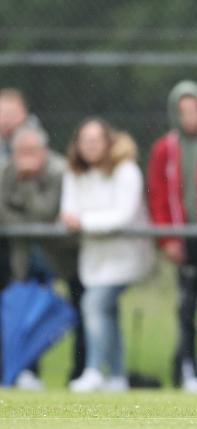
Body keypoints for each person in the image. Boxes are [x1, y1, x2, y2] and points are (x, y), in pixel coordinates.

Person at [62, 119, 154, 393]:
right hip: (93, 260)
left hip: (127, 258)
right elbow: (69, 213)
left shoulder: (126, 171)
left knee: (93, 304)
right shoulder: (74, 173)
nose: (90, 145)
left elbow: (121, 217)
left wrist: (85, 222)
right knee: (107, 312)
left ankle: (93, 371)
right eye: (84, 140)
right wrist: (83, 221)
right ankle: (117, 376)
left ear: (108, 142)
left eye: (95, 139)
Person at [0, 126, 83, 389]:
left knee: (77, 313)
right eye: (20, 152)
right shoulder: (6, 172)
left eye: (31, 152)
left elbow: (46, 212)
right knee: (21, 316)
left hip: (61, 256)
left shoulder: (59, 171)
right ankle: (23, 371)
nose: (24, 158)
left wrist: (27, 183)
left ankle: (81, 372)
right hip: (23, 257)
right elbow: (3, 214)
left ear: (43, 151)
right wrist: (26, 221)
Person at [147, 80, 197, 392]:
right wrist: (168, 238)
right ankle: (187, 367)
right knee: (187, 307)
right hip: (184, 236)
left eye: (195, 110)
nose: (190, 117)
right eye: (183, 111)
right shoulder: (165, 148)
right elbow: (158, 196)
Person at [0, 89, 42, 171]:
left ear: (24, 114)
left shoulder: (36, 141)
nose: (6, 119)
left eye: (11, 113)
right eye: (2, 113)